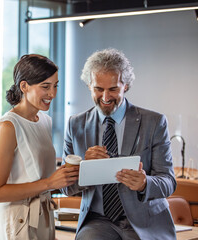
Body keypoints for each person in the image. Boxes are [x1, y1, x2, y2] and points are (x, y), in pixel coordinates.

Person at [61, 48, 176, 239]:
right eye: (98, 89)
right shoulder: (75, 125)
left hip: (145, 222)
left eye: (113, 89)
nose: (105, 98)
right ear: (89, 85)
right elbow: (67, 187)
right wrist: (84, 167)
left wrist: (145, 183)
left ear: (126, 86)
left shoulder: (154, 122)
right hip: (98, 222)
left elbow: (168, 181)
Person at [0, 54, 79, 240]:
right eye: (45, 86)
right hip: (17, 222)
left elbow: (36, 174)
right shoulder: (9, 126)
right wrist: (50, 183)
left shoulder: (45, 121)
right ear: (24, 86)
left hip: (43, 216)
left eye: (55, 86)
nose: (52, 94)